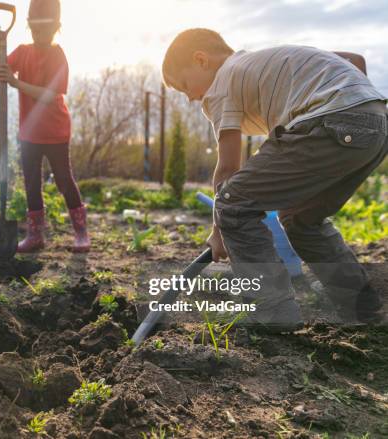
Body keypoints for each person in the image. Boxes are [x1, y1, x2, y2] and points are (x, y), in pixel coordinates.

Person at [162, 29, 386, 330]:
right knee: (301, 218)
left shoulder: (223, 80)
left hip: (328, 123)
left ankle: (272, 314)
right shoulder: (262, 66)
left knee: (232, 203)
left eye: (185, 86)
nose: (190, 97)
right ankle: (362, 309)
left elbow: (228, 170)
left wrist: (219, 230)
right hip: (375, 124)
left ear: (201, 60)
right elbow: (353, 60)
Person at [0, 0, 90, 254]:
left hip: (56, 131)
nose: (40, 36)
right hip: (29, 132)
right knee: (31, 182)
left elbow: (50, 95)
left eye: (45, 31)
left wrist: (16, 83)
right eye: (35, 31)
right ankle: (35, 235)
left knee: (64, 180)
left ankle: (81, 233)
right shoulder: (23, 52)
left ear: (57, 27)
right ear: (28, 27)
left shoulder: (58, 55)